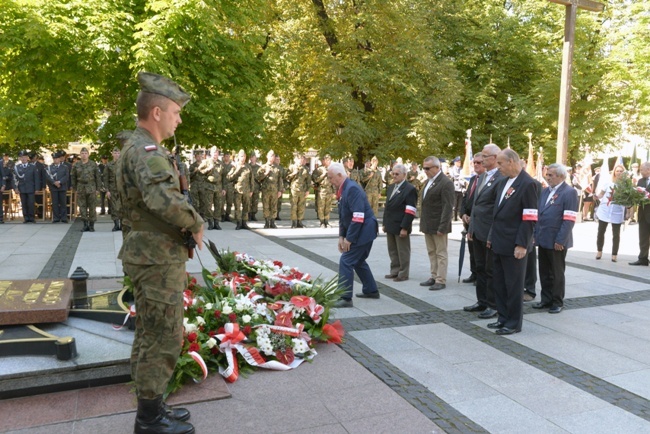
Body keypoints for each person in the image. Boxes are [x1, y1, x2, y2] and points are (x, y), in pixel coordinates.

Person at [116, 71, 202, 434]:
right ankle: (149, 420)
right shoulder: (145, 151)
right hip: (154, 257)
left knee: (150, 333)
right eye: (175, 112)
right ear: (156, 113)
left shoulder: (138, 147)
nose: (179, 119)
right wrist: (196, 223)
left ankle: (152, 404)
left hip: (151, 254)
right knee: (164, 335)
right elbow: (163, 199)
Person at [487, 149, 538, 335]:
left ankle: (513, 322)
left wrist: (522, 244)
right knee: (499, 283)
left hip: (515, 244)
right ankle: (502, 317)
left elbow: (530, 217)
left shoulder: (528, 184)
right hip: (499, 241)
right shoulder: (502, 182)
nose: (497, 167)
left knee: (514, 285)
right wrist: (491, 236)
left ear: (511, 161)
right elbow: (497, 214)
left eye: (500, 163)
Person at [328, 162, 379, 307]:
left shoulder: (352, 189)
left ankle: (344, 297)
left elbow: (358, 216)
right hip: (362, 230)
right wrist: (341, 236)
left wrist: (349, 239)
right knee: (358, 260)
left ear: (339, 175)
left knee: (347, 260)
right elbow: (343, 216)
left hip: (364, 230)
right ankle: (371, 290)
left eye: (331, 178)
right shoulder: (344, 188)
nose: (330, 181)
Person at [463, 144, 502, 318]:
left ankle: (493, 304)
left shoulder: (501, 178)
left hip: (489, 231)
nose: (482, 159)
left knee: (490, 269)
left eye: (485, 156)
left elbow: (497, 210)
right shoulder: (482, 176)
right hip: (477, 230)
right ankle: (482, 301)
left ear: (494, 158)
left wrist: (492, 233)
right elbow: (476, 206)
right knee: (479, 267)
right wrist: (470, 228)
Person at [533, 163, 578, 314]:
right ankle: (545, 299)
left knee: (556, 272)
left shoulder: (569, 192)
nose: (548, 177)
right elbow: (539, 214)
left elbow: (569, 219)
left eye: (551, 175)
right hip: (544, 237)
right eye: (547, 174)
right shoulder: (545, 191)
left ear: (561, 176)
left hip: (557, 240)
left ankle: (557, 301)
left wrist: (561, 240)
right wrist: (535, 235)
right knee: (544, 271)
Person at [419, 156, 455, 290]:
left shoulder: (446, 183)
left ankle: (441, 279)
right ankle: (433, 276)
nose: (425, 171)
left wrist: (443, 226)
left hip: (439, 224)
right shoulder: (428, 181)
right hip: (428, 223)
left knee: (441, 253)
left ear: (437, 167)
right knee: (431, 252)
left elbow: (448, 207)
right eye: (424, 168)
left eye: (427, 168)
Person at [382, 163, 417, 281]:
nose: (394, 176)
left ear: (404, 175)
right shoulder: (391, 187)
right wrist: (384, 223)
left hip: (401, 225)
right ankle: (395, 270)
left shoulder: (410, 189)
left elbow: (410, 210)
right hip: (391, 224)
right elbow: (388, 207)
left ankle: (403, 273)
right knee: (392, 250)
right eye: (393, 174)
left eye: (397, 174)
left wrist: (405, 227)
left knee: (403, 251)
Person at [460, 152, 486, 283]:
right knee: (472, 250)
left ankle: (480, 276)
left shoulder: (486, 181)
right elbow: (466, 199)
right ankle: (474, 273)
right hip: (468, 220)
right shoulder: (473, 179)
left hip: (479, 222)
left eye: (479, 162)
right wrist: (463, 214)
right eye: (474, 162)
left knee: (480, 253)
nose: (476, 164)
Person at [595, 164, 627, 262]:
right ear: (614, 172)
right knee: (601, 232)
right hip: (605, 210)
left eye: (621, 171)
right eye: (617, 171)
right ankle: (599, 251)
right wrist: (596, 196)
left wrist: (629, 210)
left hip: (617, 212)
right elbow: (601, 194)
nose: (619, 173)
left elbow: (628, 200)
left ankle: (614, 254)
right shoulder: (608, 183)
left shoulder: (626, 186)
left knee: (616, 234)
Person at [227, 149, 254, 230]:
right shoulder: (234, 166)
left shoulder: (248, 167)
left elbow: (251, 179)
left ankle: (244, 222)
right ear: (238, 157)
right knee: (237, 207)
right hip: (237, 190)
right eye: (241, 156)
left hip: (246, 191)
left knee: (246, 207)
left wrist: (251, 190)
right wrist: (237, 170)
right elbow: (229, 178)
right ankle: (238, 223)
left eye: (244, 156)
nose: (243, 158)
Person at [256, 150, 283, 228]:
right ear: (267, 156)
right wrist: (265, 173)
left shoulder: (277, 168)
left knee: (274, 206)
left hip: (274, 190)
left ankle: (272, 222)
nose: (272, 158)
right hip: (266, 190)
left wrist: (280, 190)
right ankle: (267, 222)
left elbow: (280, 180)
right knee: (266, 206)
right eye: (270, 156)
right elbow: (258, 178)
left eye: (273, 156)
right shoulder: (263, 167)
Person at [13, 150, 42, 223]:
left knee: (31, 203)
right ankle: (26, 218)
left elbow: (36, 178)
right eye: (22, 157)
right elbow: (14, 179)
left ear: (27, 158)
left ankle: (32, 218)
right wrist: (15, 188)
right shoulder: (17, 167)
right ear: (20, 158)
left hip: (31, 188)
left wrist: (37, 188)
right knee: (24, 203)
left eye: (25, 157)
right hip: (21, 188)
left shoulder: (32, 166)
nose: (23, 159)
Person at [630, 162, 650, 266]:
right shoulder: (640, 181)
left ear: (649, 170)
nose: (640, 172)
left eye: (642, 170)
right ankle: (643, 258)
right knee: (643, 237)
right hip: (643, 214)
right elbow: (637, 196)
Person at [286, 153, 310, 228]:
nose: (301, 160)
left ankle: (299, 221)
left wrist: (308, 190)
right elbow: (286, 178)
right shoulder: (292, 167)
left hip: (302, 190)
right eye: (300, 158)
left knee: (301, 206)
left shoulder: (305, 168)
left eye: (302, 159)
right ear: (296, 159)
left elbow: (308, 180)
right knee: (294, 206)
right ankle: (294, 222)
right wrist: (293, 173)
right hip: (294, 189)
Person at [46, 151, 70, 223]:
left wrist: (59, 182)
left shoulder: (65, 167)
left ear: (60, 159)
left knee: (63, 202)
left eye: (57, 158)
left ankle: (63, 217)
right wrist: (54, 183)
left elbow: (66, 176)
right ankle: (56, 217)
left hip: (62, 187)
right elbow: (48, 177)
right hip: (53, 187)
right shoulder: (49, 167)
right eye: (54, 159)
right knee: (55, 203)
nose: (55, 160)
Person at [312, 154, 334, 228]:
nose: (329, 161)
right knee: (321, 206)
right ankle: (322, 222)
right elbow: (315, 180)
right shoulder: (318, 169)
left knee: (328, 207)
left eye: (329, 160)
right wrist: (323, 174)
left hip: (329, 190)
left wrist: (334, 191)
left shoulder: (332, 169)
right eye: (327, 160)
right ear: (323, 160)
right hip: (322, 189)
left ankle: (326, 221)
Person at [207, 148, 225, 230]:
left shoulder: (221, 163)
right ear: (211, 153)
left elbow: (224, 177)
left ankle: (216, 223)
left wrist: (224, 188)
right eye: (214, 152)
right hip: (209, 186)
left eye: (217, 152)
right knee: (208, 206)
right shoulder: (207, 162)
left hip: (218, 187)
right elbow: (200, 172)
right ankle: (210, 223)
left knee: (218, 205)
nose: (215, 154)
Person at [104, 147, 121, 231]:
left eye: (118, 153)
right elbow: (105, 178)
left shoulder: (123, 163)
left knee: (122, 207)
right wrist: (107, 190)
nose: (116, 155)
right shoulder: (109, 165)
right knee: (114, 207)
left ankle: (122, 224)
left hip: (122, 189)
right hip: (112, 189)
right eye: (115, 153)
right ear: (112, 154)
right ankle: (116, 224)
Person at [249, 152, 261, 221]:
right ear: (250, 158)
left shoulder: (258, 167)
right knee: (249, 201)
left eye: (254, 157)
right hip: (249, 187)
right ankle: (249, 214)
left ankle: (253, 214)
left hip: (256, 187)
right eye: (252, 157)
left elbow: (260, 177)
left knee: (255, 201)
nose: (253, 158)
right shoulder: (248, 166)